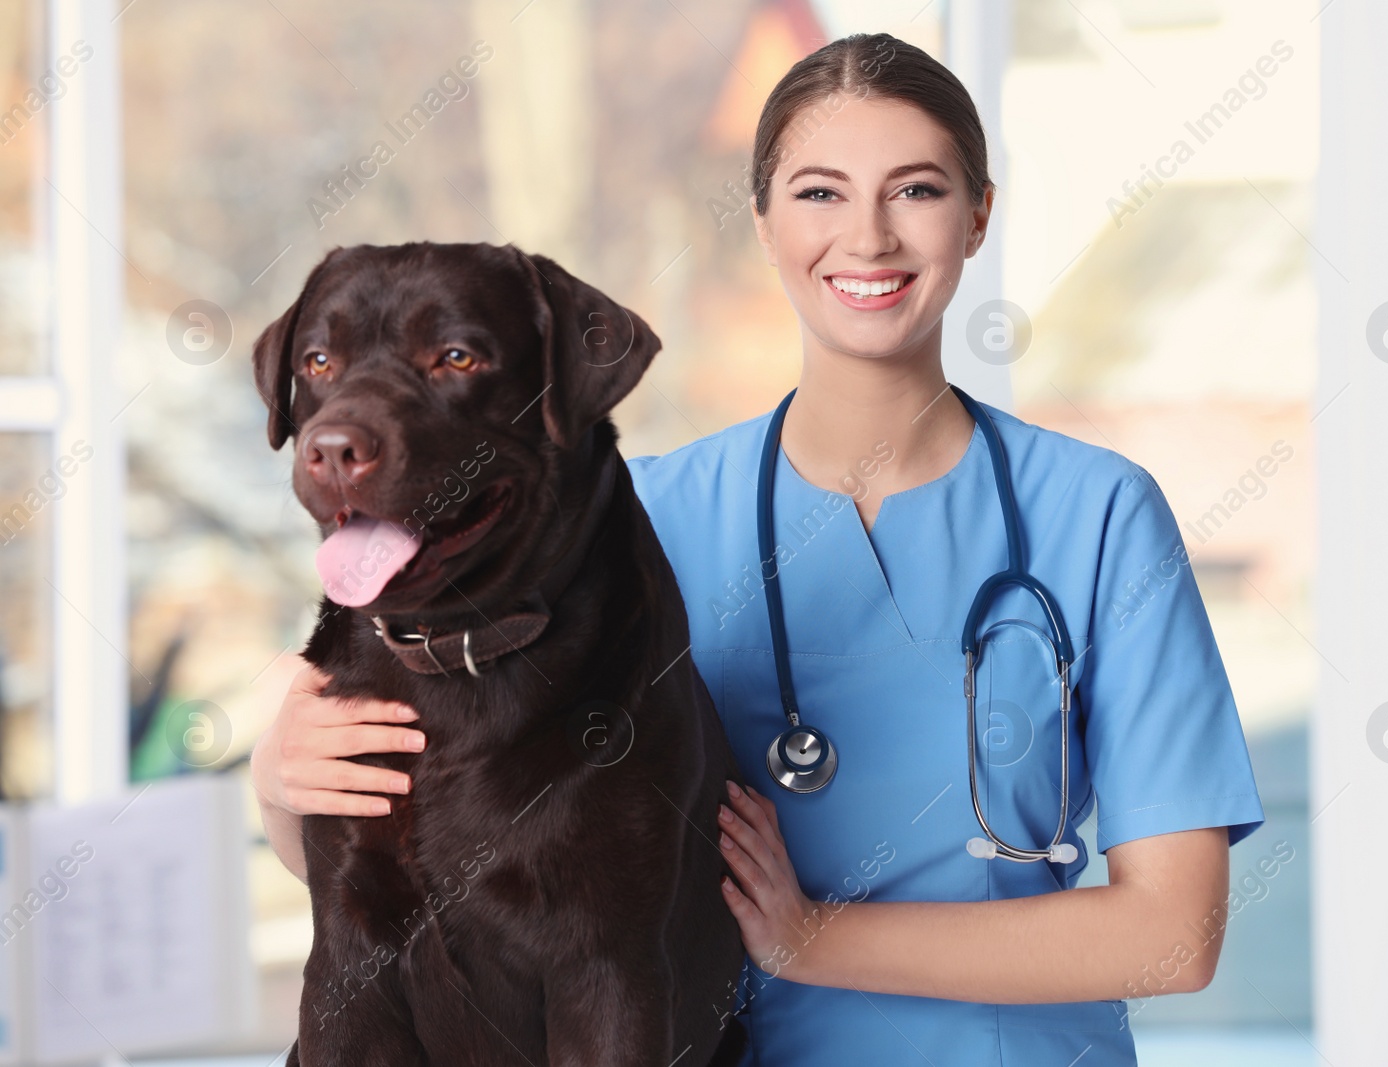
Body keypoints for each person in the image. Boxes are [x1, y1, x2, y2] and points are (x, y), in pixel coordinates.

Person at [251, 32, 1264, 1066]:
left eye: (914, 189)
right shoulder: (627, 521)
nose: (867, 236)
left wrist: (821, 937)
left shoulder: (1095, 514)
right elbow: (438, 886)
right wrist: (281, 781)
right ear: (764, 221)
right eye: (820, 192)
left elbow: (1173, 932)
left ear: (977, 216)